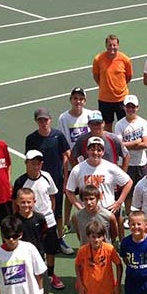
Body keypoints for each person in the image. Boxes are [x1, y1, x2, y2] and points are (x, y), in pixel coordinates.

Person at [70, 184, 124, 294]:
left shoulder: (108, 215)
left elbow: (113, 233)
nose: (89, 202)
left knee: (109, 285)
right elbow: (80, 234)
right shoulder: (77, 216)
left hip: (104, 257)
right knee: (84, 286)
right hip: (86, 257)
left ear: (98, 198)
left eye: (92, 199)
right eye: (86, 199)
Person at [12, 150, 62, 293]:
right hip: (28, 223)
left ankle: (51, 274)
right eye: (33, 163)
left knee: (50, 249)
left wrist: (50, 212)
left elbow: (52, 196)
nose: (36, 166)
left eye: (38, 163)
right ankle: (30, 276)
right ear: (26, 163)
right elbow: (14, 202)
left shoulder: (47, 177)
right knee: (30, 250)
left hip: (48, 220)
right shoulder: (20, 181)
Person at [25, 107, 73, 255]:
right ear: (36, 121)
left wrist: (66, 177)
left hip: (56, 180)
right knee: (38, 211)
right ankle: (39, 241)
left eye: (45, 120)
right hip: (38, 182)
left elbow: (67, 155)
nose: (43, 123)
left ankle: (60, 239)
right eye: (40, 120)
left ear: (50, 120)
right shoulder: (31, 139)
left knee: (57, 212)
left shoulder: (58, 136)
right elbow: (29, 160)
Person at [12, 188, 59, 294]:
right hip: (20, 262)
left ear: (34, 202)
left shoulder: (40, 218)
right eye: (23, 202)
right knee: (22, 290)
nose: (26, 205)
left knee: (43, 289)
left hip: (38, 260)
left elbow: (43, 234)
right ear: (17, 202)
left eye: (29, 202)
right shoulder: (14, 221)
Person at [65, 137, 132, 226]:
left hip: (107, 210)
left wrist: (119, 202)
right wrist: (79, 207)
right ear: (87, 151)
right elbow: (69, 190)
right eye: (92, 150)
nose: (95, 153)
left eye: (99, 150)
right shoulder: (78, 169)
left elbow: (128, 182)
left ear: (103, 152)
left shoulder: (110, 167)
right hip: (88, 211)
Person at [57, 87, 94, 230]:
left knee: (90, 191)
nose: (78, 101)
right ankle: (67, 222)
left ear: (85, 101)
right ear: (71, 100)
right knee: (70, 192)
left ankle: (91, 218)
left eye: (81, 99)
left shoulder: (90, 115)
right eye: (75, 98)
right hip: (71, 161)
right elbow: (63, 142)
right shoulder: (63, 118)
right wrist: (71, 162)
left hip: (88, 162)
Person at [113, 94, 147, 198]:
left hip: (141, 163)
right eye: (128, 107)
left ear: (137, 107)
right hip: (126, 164)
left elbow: (145, 144)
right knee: (127, 193)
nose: (130, 109)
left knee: (143, 193)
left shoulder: (143, 122)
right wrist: (136, 142)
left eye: (133, 107)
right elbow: (119, 146)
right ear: (124, 107)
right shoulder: (119, 124)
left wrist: (127, 145)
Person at [92, 34, 133, 128]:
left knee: (124, 125)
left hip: (121, 99)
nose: (112, 47)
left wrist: (119, 87)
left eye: (114, 45)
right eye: (109, 45)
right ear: (106, 45)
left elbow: (129, 76)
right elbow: (96, 76)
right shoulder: (98, 59)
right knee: (107, 125)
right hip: (105, 99)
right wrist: (104, 86)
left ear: (118, 45)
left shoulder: (125, 59)